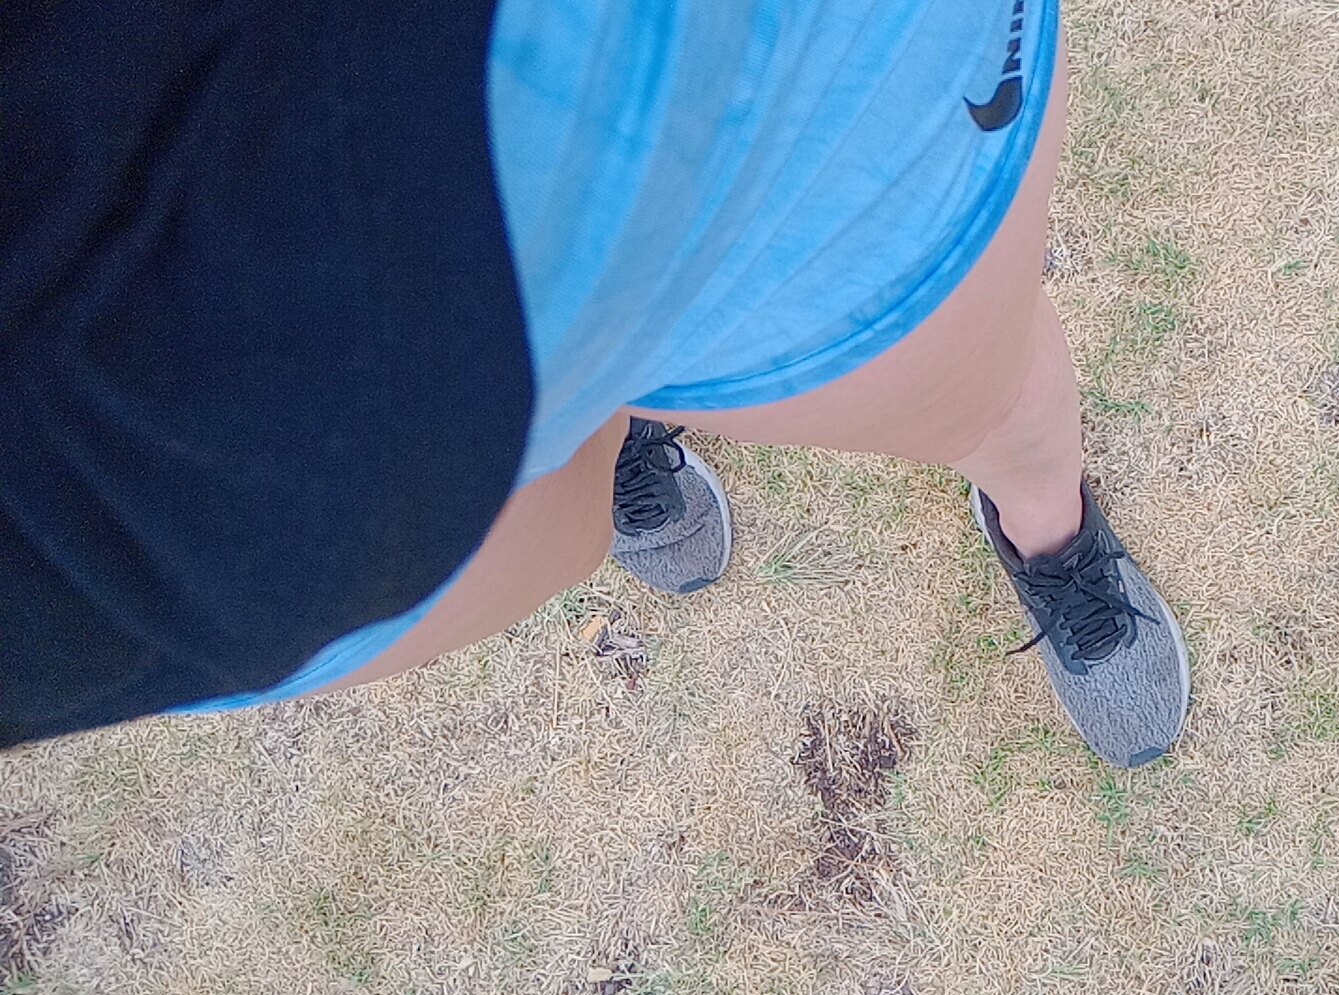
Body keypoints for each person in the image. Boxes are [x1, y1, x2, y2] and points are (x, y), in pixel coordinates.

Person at [1, 0, 1188, 766]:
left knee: (979, 393)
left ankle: (1049, 531)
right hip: (172, 506)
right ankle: (614, 413)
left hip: (682, 55)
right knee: (564, 506)